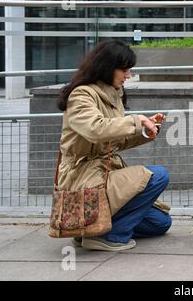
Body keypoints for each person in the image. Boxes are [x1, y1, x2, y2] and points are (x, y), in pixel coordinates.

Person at [56, 40, 172, 251]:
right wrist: (136, 120)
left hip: (102, 172)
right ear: (107, 67)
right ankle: (110, 236)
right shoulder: (81, 95)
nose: (128, 75)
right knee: (159, 176)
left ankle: (92, 229)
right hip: (82, 177)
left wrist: (145, 132)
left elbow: (112, 139)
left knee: (161, 222)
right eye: (125, 69)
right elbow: (96, 129)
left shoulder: (112, 94)